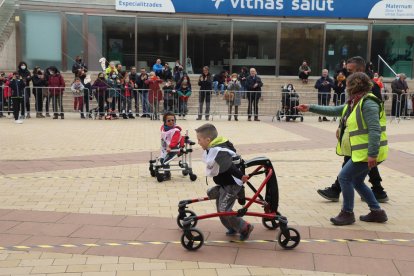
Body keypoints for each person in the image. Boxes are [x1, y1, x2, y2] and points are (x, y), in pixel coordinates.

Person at [296, 72, 388, 226]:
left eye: (347, 84)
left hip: (367, 152)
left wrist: (372, 154)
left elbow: (374, 130)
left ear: (354, 85)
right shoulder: (355, 102)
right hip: (362, 152)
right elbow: (335, 111)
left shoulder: (368, 103)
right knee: (357, 181)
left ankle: (347, 213)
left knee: (344, 177)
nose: (345, 87)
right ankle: (377, 212)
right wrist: (310, 107)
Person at [317, 56, 389, 203]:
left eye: (349, 70)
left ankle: (340, 194)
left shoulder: (369, 87)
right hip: (356, 134)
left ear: (360, 70)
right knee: (358, 167)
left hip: (364, 136)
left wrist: (373, 152)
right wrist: (341, 125)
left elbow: (371, 118)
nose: (346, 73)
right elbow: (347, 109)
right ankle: (377, 192)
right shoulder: (355, 85)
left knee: (351, 168)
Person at [195, 123, 253, 240]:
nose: (198, 142)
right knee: (220, 208)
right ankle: (233, 226)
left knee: (223, 209)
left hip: (232, 184)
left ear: (208, 139)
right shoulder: (215, 147)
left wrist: (241, 176)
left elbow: (229, 166)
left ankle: (244, 227)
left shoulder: (218, 150)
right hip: (224, 183)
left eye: (199, 140)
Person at [159, 112, 183, 180]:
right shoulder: (164, 128)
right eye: (168, 121)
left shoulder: (176, 131)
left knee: (165, 161)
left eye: (173, 120)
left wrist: (170, 146)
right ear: (165, 122)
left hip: (173, 148)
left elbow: (174, 141)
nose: (171, 122)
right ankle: (166, 171)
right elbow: (162, 128)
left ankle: (167, 175)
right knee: (161, 160)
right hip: (165, 148)